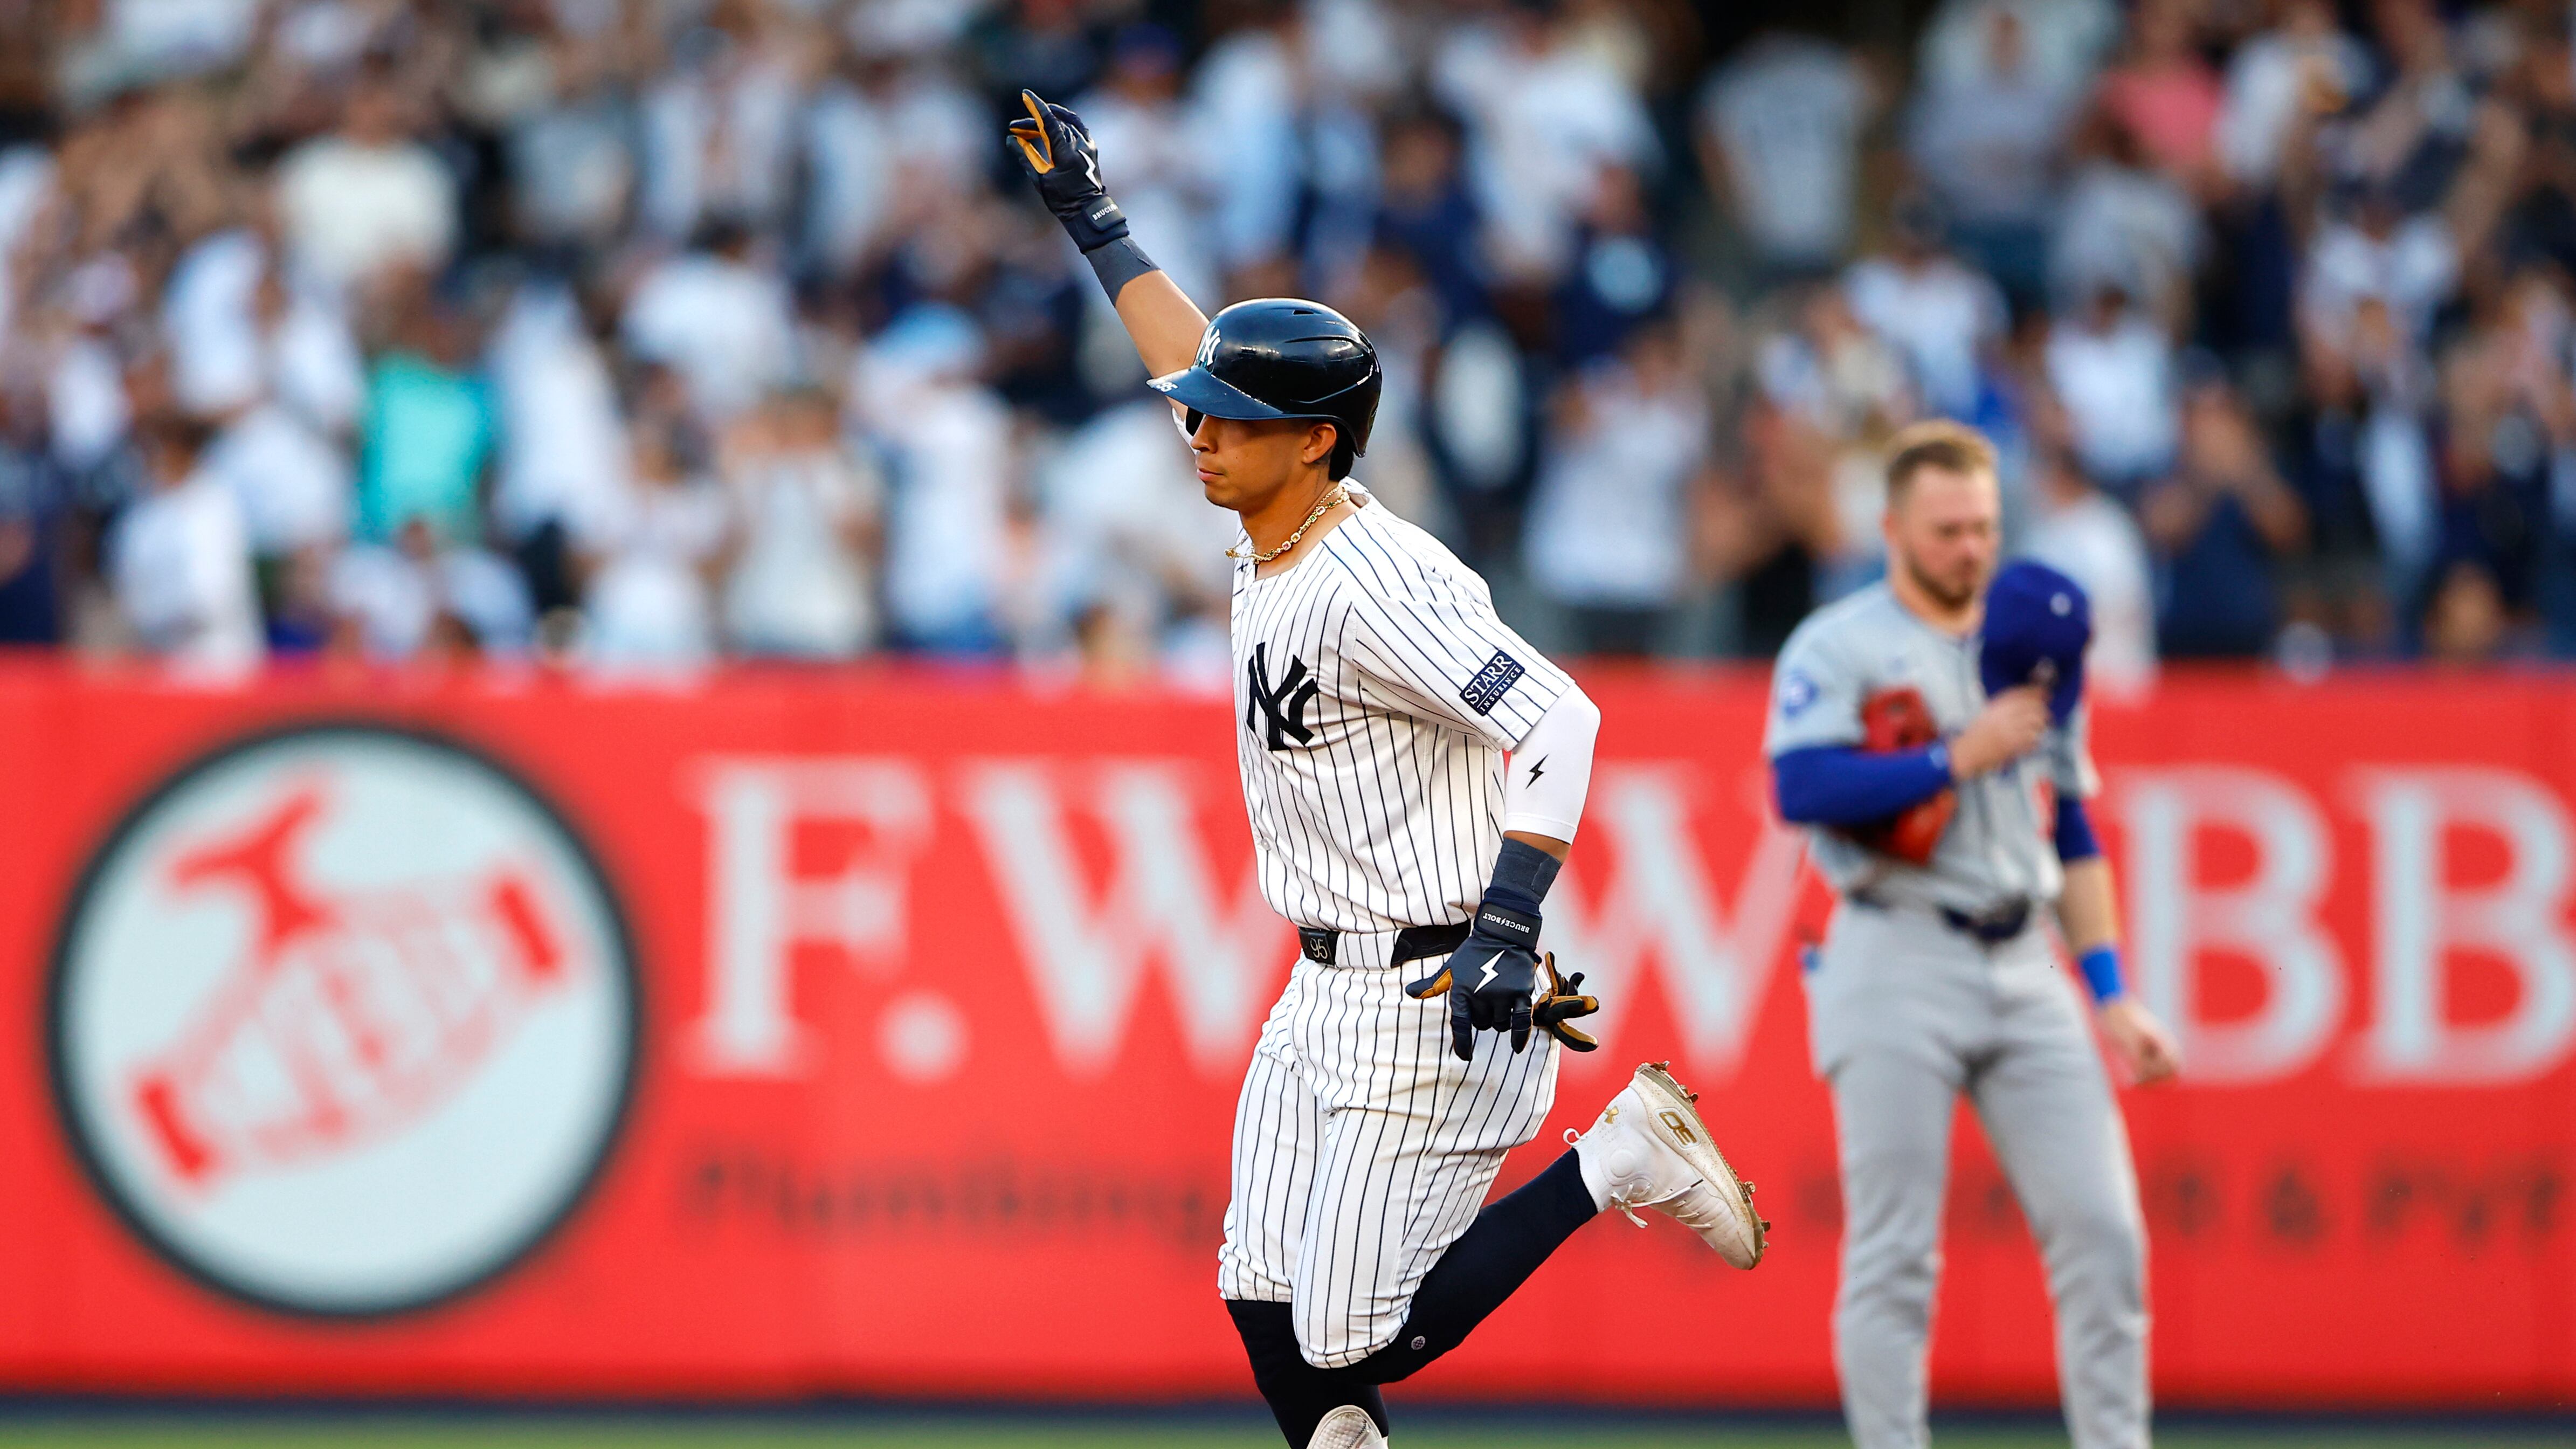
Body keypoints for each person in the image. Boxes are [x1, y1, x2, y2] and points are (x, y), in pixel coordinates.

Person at [1007, 92, 1766, 1449]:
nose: (1197, 436)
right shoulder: (1270, 510)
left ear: (1310, 440)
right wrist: (1096, 222)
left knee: (1351, 1336)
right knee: (1257, 1292)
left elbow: (1561, 720)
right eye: (1200, 420)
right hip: (1322, 982)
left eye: (1228, 424)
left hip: (1437, 985)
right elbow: (1197, 358)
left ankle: (1616, 1157)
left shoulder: (1375, 580)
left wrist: (1506, 926)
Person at [1765, 421, 2180, 1449]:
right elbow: (1800, 785)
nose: (1970, 550)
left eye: (1984, 528)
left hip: (2024, 953)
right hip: (1893, 944)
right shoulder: (1841, 642)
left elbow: (2072, 824)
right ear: (1893, 526)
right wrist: (1954, 757)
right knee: (1897, 1254)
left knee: (2104, 1235)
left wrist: (2112, 989)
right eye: (1948, 529)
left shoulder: (2032, 637)